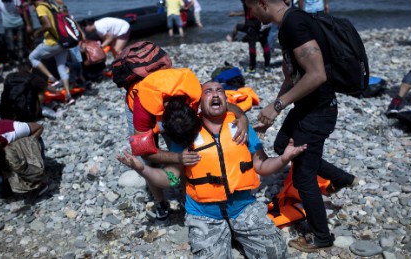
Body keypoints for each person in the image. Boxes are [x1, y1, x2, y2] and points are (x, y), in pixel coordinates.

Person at [118, 81, 308, 258]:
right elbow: (170, 179)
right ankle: (224, 236)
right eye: (208, 91)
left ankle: (236, 234)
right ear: (199, 103)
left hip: (243, 207)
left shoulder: (240, 126)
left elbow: (262, 166)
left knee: (276, 254)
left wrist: (284, 158)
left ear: (226, 100)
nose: (215, 94)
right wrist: (142, 169)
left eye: (220, 91)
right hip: (204, 214)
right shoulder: (187, 131)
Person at [244, 0, 358, 252]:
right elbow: (291, 76)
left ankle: (322, 237)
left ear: (262, 3)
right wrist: (275, 109)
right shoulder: (287, 25)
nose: (250, 14)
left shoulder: (295, 23)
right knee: (282, 144)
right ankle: (342, 178)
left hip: (319, 111)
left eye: (250, 8)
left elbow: (317, 74)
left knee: (304, 177)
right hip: (305, 108)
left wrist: (277, 105)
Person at [126, 67, 249, 222]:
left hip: (168, 87)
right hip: (137, 98)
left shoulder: (195, 95)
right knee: (147, 159)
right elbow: (144, 151)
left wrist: (242, 117)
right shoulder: (142, 109)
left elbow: (226, 106)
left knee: (184, 151)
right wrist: (177, 157)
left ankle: (186, 196)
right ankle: (160, 202)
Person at [27, 0, 74, 105]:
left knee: (32, 57)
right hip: (63, 41)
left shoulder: (40, 7)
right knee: (61, 67)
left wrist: (36, 33)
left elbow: (48, 25)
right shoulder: (51, 5)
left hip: (52, 42)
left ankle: (52, 79)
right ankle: (68, 95)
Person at [0, 119, 47, 198]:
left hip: (27, 145)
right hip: (0, 156)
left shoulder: (11, 130)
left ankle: (39, 181)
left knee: (25, 170)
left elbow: (39, 127)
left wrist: (25, 145)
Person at [226, 0, 271, 73]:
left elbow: (251, 12)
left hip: (252, 24)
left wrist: (236, 14)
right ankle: (267, 66)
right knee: (265, 43)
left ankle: (252, 67)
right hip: (263, 22)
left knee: (252, 45)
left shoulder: (247, 2)